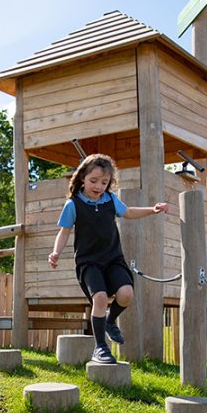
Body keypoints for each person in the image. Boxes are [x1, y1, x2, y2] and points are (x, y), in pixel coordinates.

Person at [48, 153, 168, 364]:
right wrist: (56, 252)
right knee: (101, 297)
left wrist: (152, 210)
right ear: (82, 178)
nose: (98, 186)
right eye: (93, 181)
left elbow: (128, 212)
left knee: (126, 294)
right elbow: (64, 231)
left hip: (113, 259)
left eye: (104, 182)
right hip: (89, 263)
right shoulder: (73, 204)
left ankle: (111, 321)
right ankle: (100, 347)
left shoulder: (110, 199)